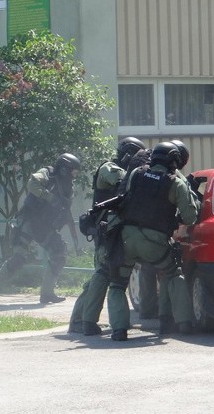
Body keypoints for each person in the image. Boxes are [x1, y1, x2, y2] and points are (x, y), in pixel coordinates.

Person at [105, 142, 200, 341]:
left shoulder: (136, 174)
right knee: (173, 274)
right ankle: (183, 323)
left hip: (127, 238)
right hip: (155, 242)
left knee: (117, 284)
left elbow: (126, 198)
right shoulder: (176, 182)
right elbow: (190, 217)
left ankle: (119, 330)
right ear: (174, 160)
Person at [68, 137, 145, 335]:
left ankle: (83, 319)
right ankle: (79, 320)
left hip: (114, 230)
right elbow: (123, 183)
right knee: (101, 275)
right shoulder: (109, 168)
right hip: (104, 230)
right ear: (128, 154)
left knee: (103, 275)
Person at [0, 153, 81, 306]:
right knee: (19, 258)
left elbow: (66, 206)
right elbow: (32, 184)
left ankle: (47, 294)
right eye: (73, 172)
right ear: (64, 169)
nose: (74, 176)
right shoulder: (47, 173)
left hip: (44, 226)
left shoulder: (68, 186)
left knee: (58, 253)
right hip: (28, 221)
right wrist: (49, 197)